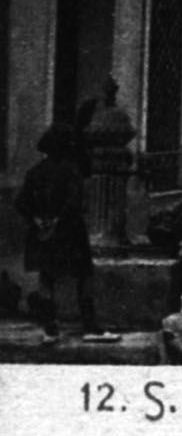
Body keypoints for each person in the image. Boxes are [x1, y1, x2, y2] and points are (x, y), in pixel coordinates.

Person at [14, 125, 120, 344]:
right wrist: (58, 219)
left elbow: (21, 203)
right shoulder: (71, 171)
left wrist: (37, 219)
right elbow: (74, 202)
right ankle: (90, 327)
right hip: (69, 232)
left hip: (41, 232)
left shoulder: (34, 172)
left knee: (46, 277)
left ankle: (50, 330)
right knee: (84, 275)